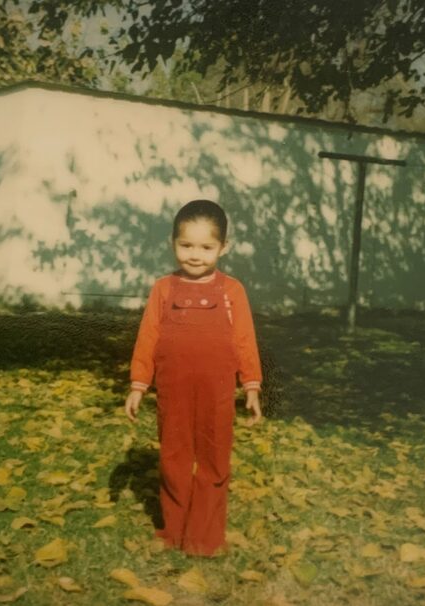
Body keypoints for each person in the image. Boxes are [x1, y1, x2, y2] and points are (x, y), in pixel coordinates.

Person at [124, 199, 263, 557]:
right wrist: (139, 383)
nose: (195, 255)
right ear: (173, 243)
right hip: (174, 390)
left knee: (215, 458)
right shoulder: (164, 289)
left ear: (223, 247)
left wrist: (251, 385)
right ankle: (173, 530)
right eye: (186, 245)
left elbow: (245, 340)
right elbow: (148, 337)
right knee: (174, 457)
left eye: (206, 247)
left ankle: (204, 537)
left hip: (217, 391)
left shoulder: (232, 292)